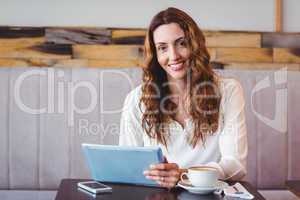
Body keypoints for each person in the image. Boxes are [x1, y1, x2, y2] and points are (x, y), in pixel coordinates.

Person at [119, 7, 247, 189]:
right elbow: (127, 166)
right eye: (163, 48)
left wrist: (184, 174)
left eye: (181, 43)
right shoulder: (135, 100)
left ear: (195, 45)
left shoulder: (228, 91)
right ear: (156, 55)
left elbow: (236, 165)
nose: (174, 56)